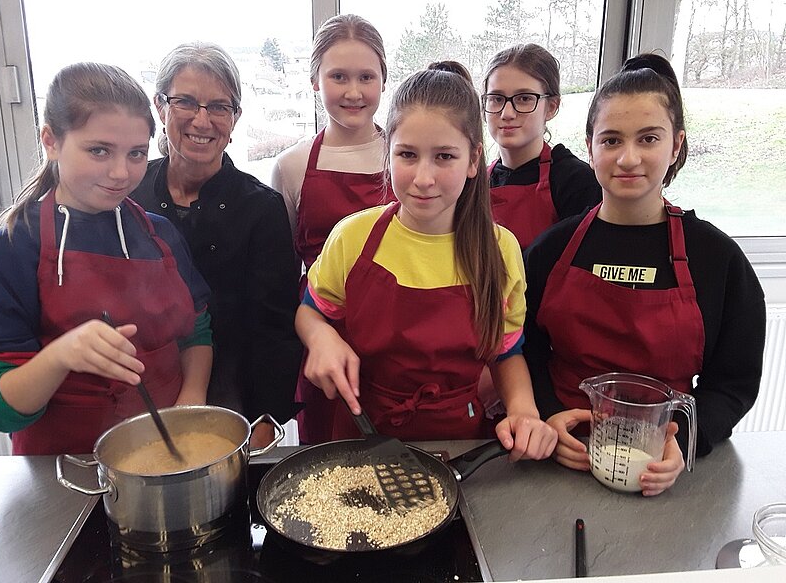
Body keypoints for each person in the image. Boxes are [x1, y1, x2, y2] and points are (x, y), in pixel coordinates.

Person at [522, 53, 766, 495]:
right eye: (611, 140)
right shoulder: (549, 250)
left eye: (648, 139)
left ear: (675, 146)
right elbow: (524, 351)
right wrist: (549, 414)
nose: (628, 158)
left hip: (665, 468)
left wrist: (686, 443)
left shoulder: (717, 259)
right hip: (559, 458)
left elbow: (734, 382)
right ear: (590, 147)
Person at [295, 65, 557, 461]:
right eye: (407, 155)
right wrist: (320, 337)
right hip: (364, 435)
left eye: (444, 157)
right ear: (388, 155)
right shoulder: (353, 236)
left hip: (460, 445)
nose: (423, 178)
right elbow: (311, 312)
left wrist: (523, 411)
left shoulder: (500, 249)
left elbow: (506, 351)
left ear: (473, 161)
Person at [0, 63, 213, 455]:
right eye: (99, 151)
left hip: (167, 453)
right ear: (51, 141)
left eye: (136, 153)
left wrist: (190, 401)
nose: (120, 173)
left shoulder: (160, 235)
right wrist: (61, 355)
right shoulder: (10, 249)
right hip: (60, 470)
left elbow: (197, 330)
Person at [131, 42, 302, 447]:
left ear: (236, 117)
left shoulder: (261, 208)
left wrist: (265, 418)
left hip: (235, 402)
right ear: (160, 107)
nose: (202, 121)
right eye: (186, 102)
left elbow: (275, 327)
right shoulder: (128, 193)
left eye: (219, 107)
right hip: (140, 397)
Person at [271, 14, 395, 444]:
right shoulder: (291, 166)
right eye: (338, 76)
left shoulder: (407, 157)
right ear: (314, 81)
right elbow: (286, 271)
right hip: (320, 334)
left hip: (396, 334)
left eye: (366, 76)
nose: (354, 91)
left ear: (384, 80)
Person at [483, 44, 601, 250]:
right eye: (496, 99)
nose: (507, 113)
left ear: (552, 107)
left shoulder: (577, 182)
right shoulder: (475, 183)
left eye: (524, 99)